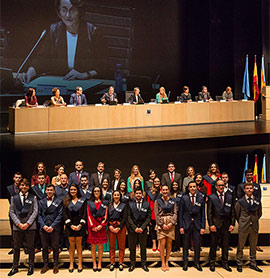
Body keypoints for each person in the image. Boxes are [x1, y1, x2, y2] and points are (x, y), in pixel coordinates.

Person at [18, 0, 107, 83]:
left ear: (80, 11)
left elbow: (103, 66)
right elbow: (41, 59)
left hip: (84, 83)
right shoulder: (54, 30)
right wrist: (30, 72)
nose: (68, 15)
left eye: (72, 10)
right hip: (60, 82)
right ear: (59, 12)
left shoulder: (93, 31)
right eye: (64, 10)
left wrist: (85, 75)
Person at [8, 178, 38, 276]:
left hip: (30, 226)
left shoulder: (33, 197)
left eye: (26, 185)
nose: (24, 187)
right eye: (22, 185)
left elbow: (35, 211)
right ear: (19, 186)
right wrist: (18, 223)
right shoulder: (14, 198)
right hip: (18, 226)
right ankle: (15, 266)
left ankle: (31, 266)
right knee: (16, 247)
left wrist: (28, 223)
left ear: (29, 187)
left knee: (30, 247)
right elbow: (11, 212)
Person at [207, 179, 235, 272]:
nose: (221, 187)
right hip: (215, 225)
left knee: (225, 245)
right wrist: (211, 224)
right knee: (214, 245)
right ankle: (212, 263)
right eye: (219, 185)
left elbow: (232, 211)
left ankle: (225, 263)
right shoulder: (212, 197)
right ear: (216, 187)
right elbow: (209, 213)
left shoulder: (229, 197)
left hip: (226, 225)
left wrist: (232, 223)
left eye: (223, 185)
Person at [235, 183, 263, 273]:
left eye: (251, 188)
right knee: (241, 245)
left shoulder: (257, 201)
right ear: (244, 190)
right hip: (244, 226)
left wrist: (253, 220)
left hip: (254, 226)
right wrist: (243, 221)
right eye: (247, 188)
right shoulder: (240, 201)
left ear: (253, 189)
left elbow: (259, 213)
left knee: (253, 246)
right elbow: (237, 214)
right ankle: (239, 263)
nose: (249, 190)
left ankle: (253, 263)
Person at [179, 181, 205, 272]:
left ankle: (197, 263)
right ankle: (185, 262)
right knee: (185, 245)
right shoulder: (184, 198)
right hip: (186, 224)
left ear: (197, 187)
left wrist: (203, 227)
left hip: (197, 225)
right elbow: (181, 213)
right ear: (188, 188)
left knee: (197, 245)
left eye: (194, 186)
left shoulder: (200, 198)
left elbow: (202, 214)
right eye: (191, 187)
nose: (193, 188)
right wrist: (181, 226)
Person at [38, 184, 63, 274]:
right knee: (44, 247)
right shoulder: (41, 202)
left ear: (54, 191)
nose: (49, 191)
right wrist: (43, 225)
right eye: (48, 190)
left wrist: (52, 226)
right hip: (43, 228)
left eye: (51, 190)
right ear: (45, 191)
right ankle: (45, 265)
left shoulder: (59, 201)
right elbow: (39, 215)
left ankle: (55, 265)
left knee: (55, 247)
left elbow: (60, 215)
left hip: (54, 228)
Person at [63, 184, 87, 272]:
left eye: (74, 190)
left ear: (77, 190)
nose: (73, 191)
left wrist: (80, 225)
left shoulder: (82, 200)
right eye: (71, 190)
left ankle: (80, 263)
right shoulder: (66, 201)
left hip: (80, 226)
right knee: (71, 247)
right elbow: (64, 214)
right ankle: (71, 264)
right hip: (70, 227)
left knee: (79, 246)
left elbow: (85, 213)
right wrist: (71, 225)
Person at [127, 188, 151, 272]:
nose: (138, 195)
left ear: (142, 194)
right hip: (132, 229)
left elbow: (148, 217)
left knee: (143, 247)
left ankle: (144, 264)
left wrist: (142, 228)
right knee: (132, 247)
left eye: (139, 193)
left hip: (143, 229)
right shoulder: (130, 204)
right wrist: (135, 228)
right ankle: (132, 264)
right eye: (136, 193)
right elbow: (128, 217)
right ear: (134, 194)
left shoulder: (147, 204)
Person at [154, 184, 177, 271]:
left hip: (170, 223)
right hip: (162, 223)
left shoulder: (172, 201)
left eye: (166, 190)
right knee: (162, 244)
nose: (165, 191)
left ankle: (167, 261)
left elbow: (175, 212)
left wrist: (171, 223)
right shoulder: (157, 201)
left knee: (169, 244)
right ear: (161, 191)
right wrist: (161, 224)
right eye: (163, 190)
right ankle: (162, 262)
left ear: (168, 191)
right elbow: (156, 214)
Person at [87, 186, 109, 271]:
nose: (96, 192)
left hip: (101, 227)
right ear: (93, 192)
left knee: (100, 246)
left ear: (100, 193)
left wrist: (101, 225)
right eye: (95, 191)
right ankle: (94, 263)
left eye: (98, 191)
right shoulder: (89, 203)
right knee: (93, 246)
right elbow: (89, 215)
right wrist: (92, 226)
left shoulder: (104, 203)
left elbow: (106, 215)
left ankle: (99, 262)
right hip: (92, 226)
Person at [108, 190, 127, 271]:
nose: (116, 196)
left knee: (121, 246)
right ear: (112, 196)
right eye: (115, 195)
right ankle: (112, 262)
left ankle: (120, 262)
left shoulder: (124, 205)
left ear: (120, 196)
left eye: (117, 195)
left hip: (121, 227)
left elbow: (125, 217)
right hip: (111, 227)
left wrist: (119, 227)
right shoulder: (109, 205)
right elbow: (107, 216)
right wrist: (110, 226)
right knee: (112, 246)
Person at [7, 172, 22, 255]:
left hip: (23, 211)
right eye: (16, 177)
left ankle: (25, 247)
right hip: (13, 211)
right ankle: (14, 247)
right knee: (13, 231)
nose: (18, 179)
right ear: (14, 178)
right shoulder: (9, 188)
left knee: (24, 231)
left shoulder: (23, 187)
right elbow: (9, 200)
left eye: (19, 178)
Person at [146, 177, 161, 251]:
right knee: (152, 229)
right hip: (152, 212)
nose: (157, 183)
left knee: (160, 229)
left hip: (161, 212)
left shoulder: (162, 190)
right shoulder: (150, 192)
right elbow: (148, 203)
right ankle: (154, 243)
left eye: (158, 181)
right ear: (153, 183)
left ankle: (160, 244)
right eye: (155, 181)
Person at [170, 181, 183, 252]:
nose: (175, 186)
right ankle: (171, 246)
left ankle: (177, 246)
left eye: (176, 185)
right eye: (173, 185)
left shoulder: (181, 194)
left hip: (179, 214)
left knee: (178, 231)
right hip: (171, 214)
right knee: (171, 231)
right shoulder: (169, 194)